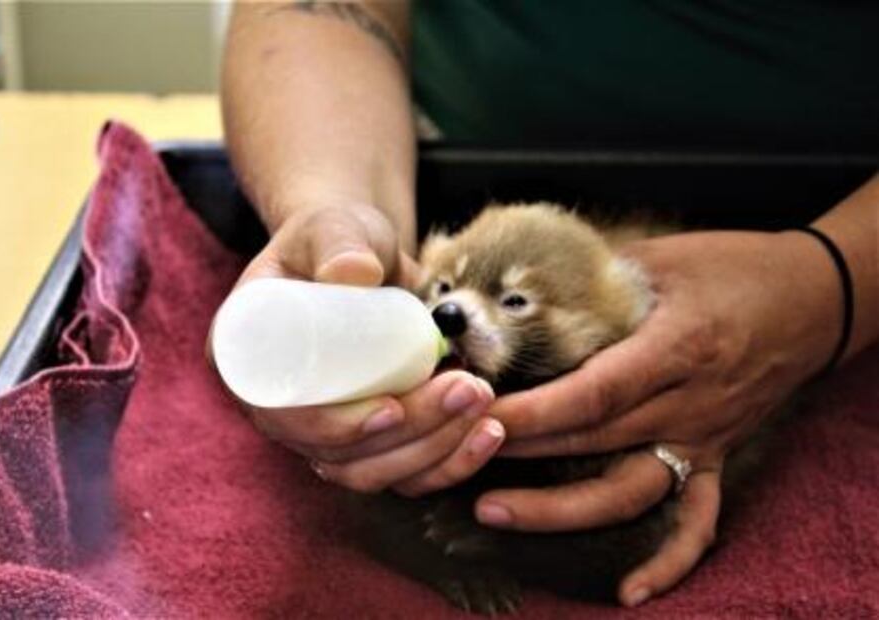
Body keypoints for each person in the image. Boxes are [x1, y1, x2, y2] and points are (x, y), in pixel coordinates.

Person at [219, 1, 879, 607]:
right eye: (448, 296)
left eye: (511, 303)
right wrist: (337, 214)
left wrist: (837, 282)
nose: (450, 314)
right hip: (450, 158)